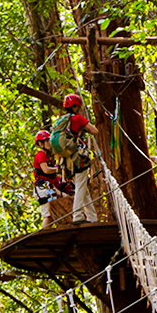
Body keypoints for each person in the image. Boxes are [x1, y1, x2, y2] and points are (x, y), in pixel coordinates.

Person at [53, 93, 101, 223]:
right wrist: (84, 128)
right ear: (74, 107)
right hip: (78, 158)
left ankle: (92, 217)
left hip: (67, 161)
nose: (80, 109)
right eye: (78, 107)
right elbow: (95, 131)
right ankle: (78, 216)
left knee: (83, 188)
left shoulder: (62, 121)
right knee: (81, 186)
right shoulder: (78, 119)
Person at [32, 130, 71, 227]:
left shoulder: (46, 156)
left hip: (48, 187)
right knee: (48, 215)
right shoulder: (40, 155)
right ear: (40, 144)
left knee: (53, 214)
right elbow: (46, 170)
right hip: (43, 187)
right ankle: (41, 238)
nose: (49, 143)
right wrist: (58, 168)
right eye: (47, 141)